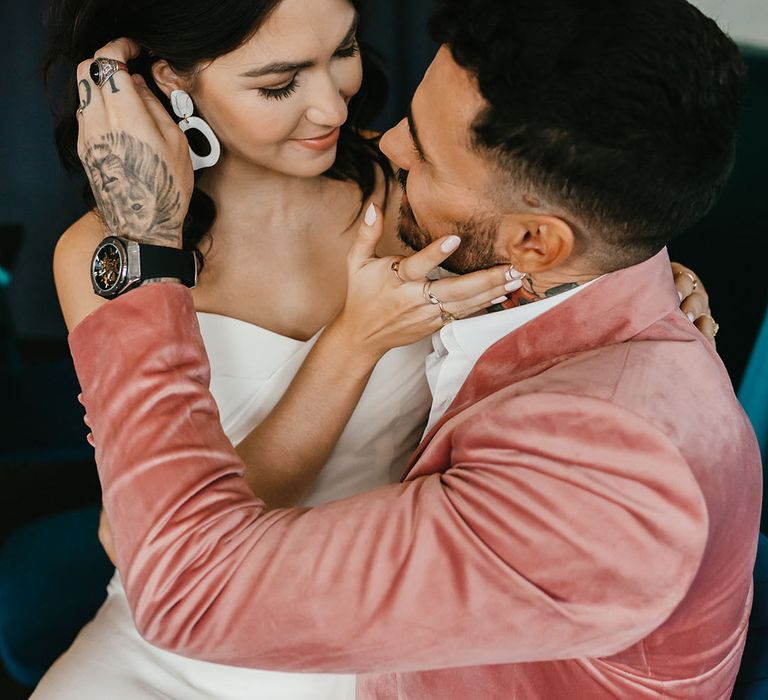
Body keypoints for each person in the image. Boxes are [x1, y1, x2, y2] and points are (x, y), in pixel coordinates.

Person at [45, 1, 744, 699]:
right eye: (280, 83)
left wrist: (647, 294)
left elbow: (574, 233)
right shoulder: (112, 258)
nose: (331, 110)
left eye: (343, 50)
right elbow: (140, 546)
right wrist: (353, 343)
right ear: (171, 81)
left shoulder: (422, 189)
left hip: (373, 627)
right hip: (169, 625)